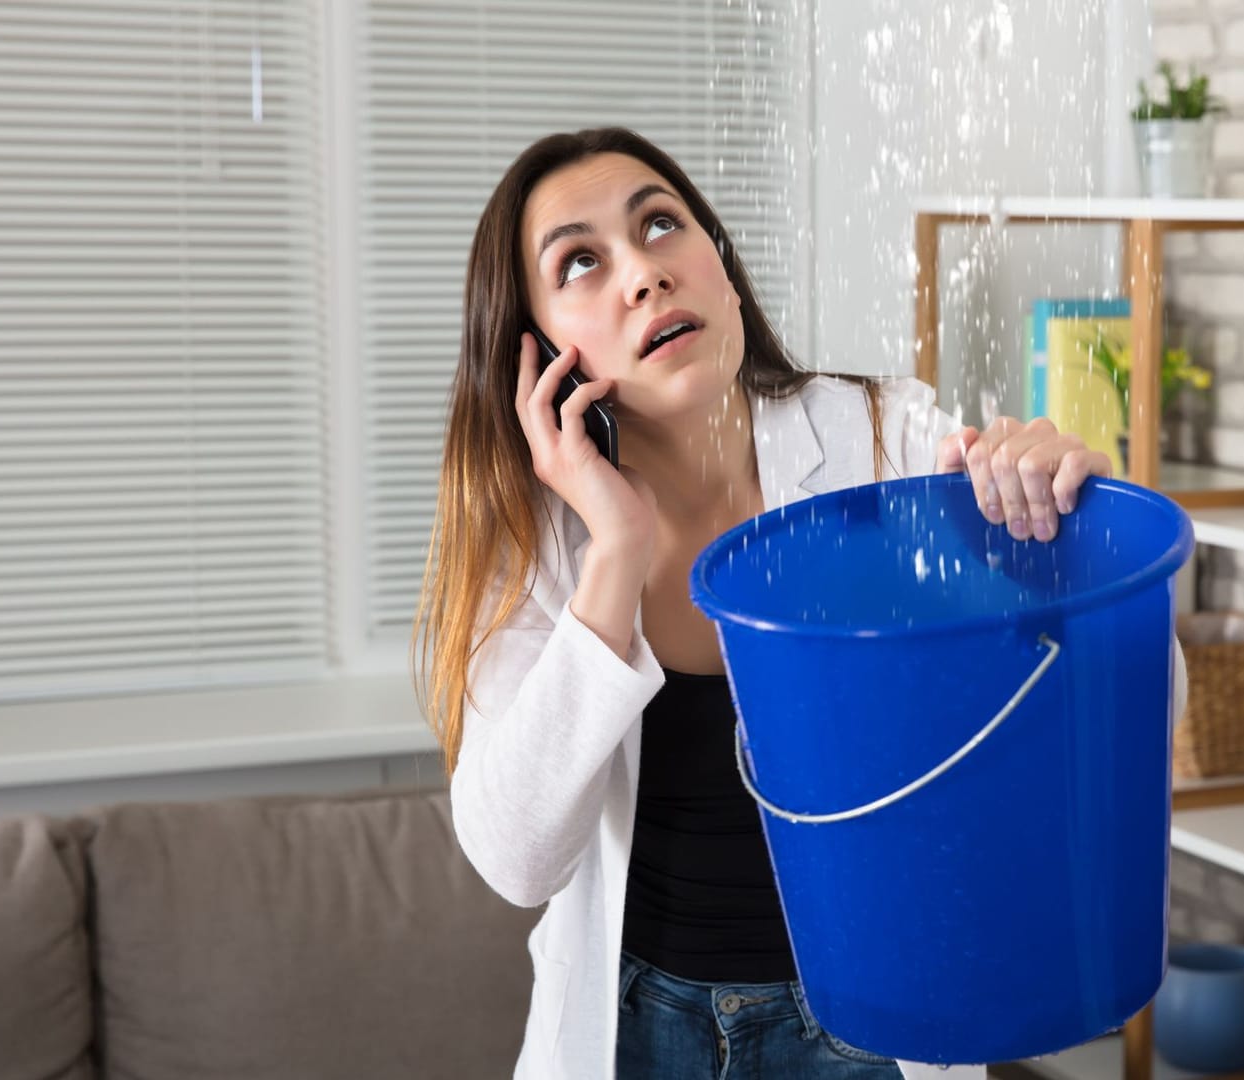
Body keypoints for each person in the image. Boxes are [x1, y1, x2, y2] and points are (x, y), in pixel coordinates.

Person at [415, 127, 1175, 1080]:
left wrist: (1072, 547)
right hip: (635, 1029)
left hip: (874, 1030)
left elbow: (1141, 715)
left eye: (661, 225)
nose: (644, 273)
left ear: (724, 273)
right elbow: (516, 860)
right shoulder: (534, 543)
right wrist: (615, 554)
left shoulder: (893, 442)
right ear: (540, 360)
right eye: (581, 261)